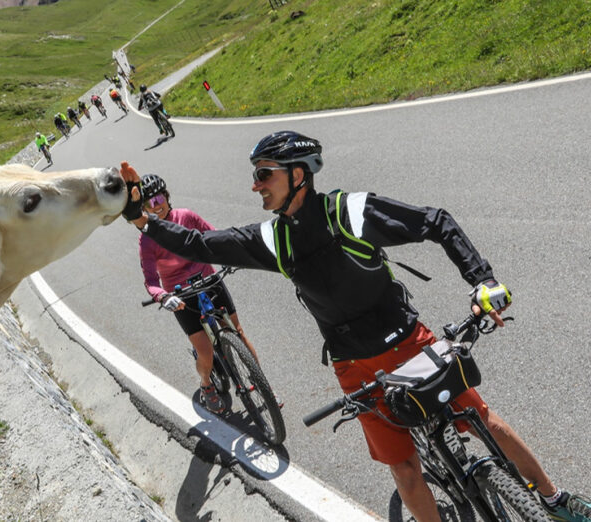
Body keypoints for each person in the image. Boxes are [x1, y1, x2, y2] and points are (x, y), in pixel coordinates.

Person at [119, 131, 591, 522]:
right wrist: (141, 218)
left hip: (409, 341)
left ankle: (553, 499)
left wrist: (482, 280)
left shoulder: (350, 212)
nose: (255, 185)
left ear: (297, 175)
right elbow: (201, 245)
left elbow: (436, 222)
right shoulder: (273, 237)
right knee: (405, 470)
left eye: (264, 174)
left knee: (483, 420)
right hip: (356, 367)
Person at [137, 174, 258, 414]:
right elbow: (150, 281)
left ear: (167, 197)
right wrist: (163, 296)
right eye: (149, 203)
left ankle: (261, 384)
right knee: (205, 351)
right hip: (181, 295)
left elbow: (214, 236)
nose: (156, 205)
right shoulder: (147, 240)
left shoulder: (186, 216)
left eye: (159, 198)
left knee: (237, 331)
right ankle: (206, 385)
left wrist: (232, 254)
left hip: (209, 280)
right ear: (143, 209)